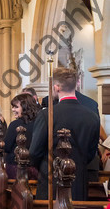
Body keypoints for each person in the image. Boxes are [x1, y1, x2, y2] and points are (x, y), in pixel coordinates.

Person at [30, 68, 100, 200]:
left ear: (56, 87)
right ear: (76, 84)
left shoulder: (47, 115)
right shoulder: (92, 116)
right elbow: (91, 152)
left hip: (51, 180)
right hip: (79, 180)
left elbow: (34, 152)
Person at [4, 93, 40, 179]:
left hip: (15, 167)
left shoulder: (15, 124)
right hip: (35, 167)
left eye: (16, 107)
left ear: (25, 107)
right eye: (12, 107)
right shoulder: (39, 123)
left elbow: (6, 147)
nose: (13, 110)